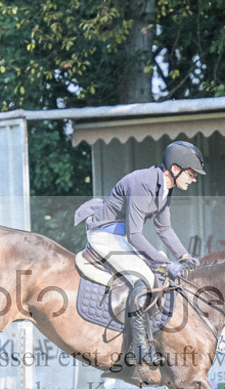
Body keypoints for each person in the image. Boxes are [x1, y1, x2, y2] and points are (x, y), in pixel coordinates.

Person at [73, 141, 205, 367]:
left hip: (121, 237)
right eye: (191, 175)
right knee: (143, 275)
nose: (192, 180)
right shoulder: (143, 183)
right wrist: (164, 262)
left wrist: (184, 256)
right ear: (175, 169)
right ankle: (139, 347)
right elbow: (135, 235)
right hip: (104, 236)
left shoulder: (164, 187)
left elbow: (164, 228)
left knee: (158, 265)